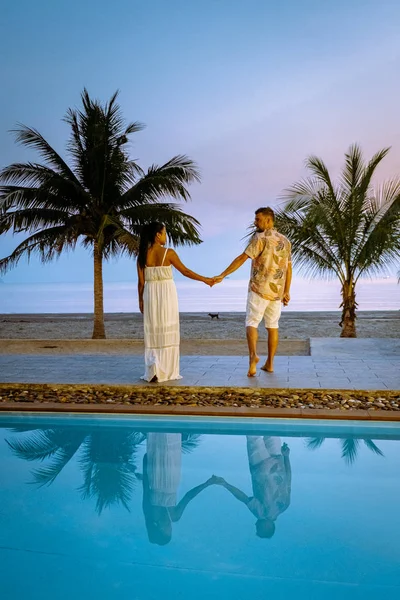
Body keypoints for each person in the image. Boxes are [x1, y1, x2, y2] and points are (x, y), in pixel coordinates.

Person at [214, 207, 292, 376]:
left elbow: (243, 257)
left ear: (269, 221)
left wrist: (223, 274)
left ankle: (253, 358)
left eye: (258, 219)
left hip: (258, 289)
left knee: (251, 322)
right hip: (277, 292)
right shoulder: (285, 241)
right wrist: (286, 291)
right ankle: (270, 364)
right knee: (273, 326)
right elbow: (288, 268)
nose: (255, 222)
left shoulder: (259, 238)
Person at [137, 222, 214, 383]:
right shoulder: (168, 253)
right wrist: (205, 280)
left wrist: (140, 301)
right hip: (166, 294)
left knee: (154, 331)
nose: (166, 236)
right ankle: (166, 371)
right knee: (167, 329)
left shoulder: (142, 256)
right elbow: (185, 271)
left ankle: (154, 368)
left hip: (150, 295)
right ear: (157, 235)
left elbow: (141, 283)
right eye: (164, 233)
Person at [139, 432, 217, 545]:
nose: (170, 529)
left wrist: (145, 464)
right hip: (172, 479)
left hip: (155, 476)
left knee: (157, 443)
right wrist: (206, 484)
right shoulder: (174, 516)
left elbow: (145, 489)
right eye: (170, 531)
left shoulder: (151, 514)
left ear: (160, 530)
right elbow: (188, 497)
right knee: (171, 446)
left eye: (168, 531)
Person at [212, 437, 291, 539]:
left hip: (278, 459)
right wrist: (225, 484)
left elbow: (288, 479)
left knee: (270, 425)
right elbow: (243, 498)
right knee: (253, 433)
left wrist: (286, 457)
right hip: (260, 465)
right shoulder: (261, 514)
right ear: (267, 528)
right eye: (258, 528)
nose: (255, 525)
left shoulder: (285, 506)